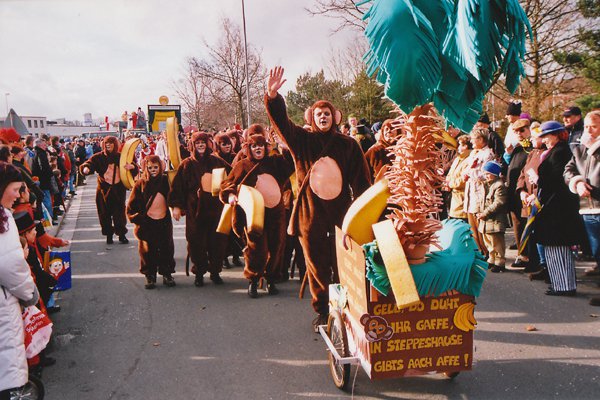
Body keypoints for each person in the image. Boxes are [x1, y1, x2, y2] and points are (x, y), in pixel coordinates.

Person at [265, 66, 371, 331]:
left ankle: (345, 309)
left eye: (327, 114)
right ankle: (323, 311)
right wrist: (273, 96)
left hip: (340, 214)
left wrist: (367, 214)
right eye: (318, 114)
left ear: (335, 117)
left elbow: (361, 183)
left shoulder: (349, 145)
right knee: (317, 266)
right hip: (309, 216)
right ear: (311, 118)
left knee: (342, 264)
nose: (322, 117)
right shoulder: (302, 140)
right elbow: (282, 124)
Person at [220, 134, 294, 298]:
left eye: (261, 145)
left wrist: (286, 147)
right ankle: (253, 280)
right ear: (249, 148)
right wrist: (230, 195)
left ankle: (271, 279)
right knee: (256, 250)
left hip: (276, 213)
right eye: (254, 146)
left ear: (266, 147)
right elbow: (227, 183)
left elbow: (291, 164)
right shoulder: (243, 165)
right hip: (254, 215)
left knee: (277, 247)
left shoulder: (275, 162)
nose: (258, 148)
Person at [168, 132, 230, 287]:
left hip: (215, 210)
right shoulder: (187, 164)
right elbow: (177, 187)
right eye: (197, 143)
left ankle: (215, 272)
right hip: (195, 212)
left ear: (207, 144)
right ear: (193, 145)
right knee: (196, 243)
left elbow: (232, 176)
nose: (201, 145)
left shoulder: (217, 161)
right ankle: (200, 273)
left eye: (203, 142)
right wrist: (176, 206)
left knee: (217, 243)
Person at [0, 162, 39, 398]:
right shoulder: (3, 219)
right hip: (4, 301)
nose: (17, 195)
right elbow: (10, 264)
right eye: (15, 189)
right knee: (8, 355)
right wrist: (29, 292)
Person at [532, 121, 582, 296]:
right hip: (557, 208)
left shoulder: (559, 153)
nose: (543, 140)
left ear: (557, 135)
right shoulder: (559, 151)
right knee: (556, 249)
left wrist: (537, 180)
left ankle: (563, 285)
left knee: (557, 248)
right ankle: (562, 283)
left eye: (546, 136)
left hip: (558, 209)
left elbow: (554, 181)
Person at [564, 111, 600, 305]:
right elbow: (568, 169)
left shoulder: (592, 147)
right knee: (596, 251)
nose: (588, 131)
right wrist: (577, 183)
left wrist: (593, 148)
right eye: (586, 126)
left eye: (593, 126)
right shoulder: (581, 148)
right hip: (587, 207)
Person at [127, 155, 176, 289]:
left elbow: (175, 195)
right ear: (145, 168)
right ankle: (150, 275)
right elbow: (131, 205)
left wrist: (176, 208)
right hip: (147, 222)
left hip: (164, 220)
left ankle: (167, 274)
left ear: (160, 167)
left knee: (166, 248)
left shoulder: (166, 181)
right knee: (148, 250)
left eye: (156, 167)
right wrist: (136, 218)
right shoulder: (140, 184)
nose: (153, 170)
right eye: (150, 168)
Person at [80, 136, 137, 244]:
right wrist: (85, 168)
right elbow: (89, 163)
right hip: (103, 190)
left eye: (111, 143)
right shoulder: (98, 157)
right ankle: (108, 235)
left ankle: (121, 235)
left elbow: (134, 166)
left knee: (119, 214)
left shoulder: (121, 157)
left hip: (118, 190)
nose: (108, 145)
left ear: (115, 144)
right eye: (106, 143)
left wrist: (132, 167)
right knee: (104, 214)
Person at [504, 118, 534, 268]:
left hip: (526, 193)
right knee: (517, 225)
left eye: (522, 130)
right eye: (516, 131)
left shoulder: (533, 148)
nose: (519, 134)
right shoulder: (517, 148)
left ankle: (529, 256)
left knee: (527, 225)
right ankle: (521, 254)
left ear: (529, 130)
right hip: (514, 193)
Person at [463, 128, 495, 256]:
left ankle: (487, 251)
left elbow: (484, 174)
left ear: (481, 139)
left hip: (480, 192)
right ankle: (479, 250)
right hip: (470, 191)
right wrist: (467, 173)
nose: (471, 141)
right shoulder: (473, 153)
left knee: (480, 223)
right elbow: (466, 169)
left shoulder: (488, 154)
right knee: (472, 225)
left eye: (473, 139)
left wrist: (471, 173)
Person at [477, 161, 509, 272]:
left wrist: (485, 212)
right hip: (486, 219)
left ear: (494, 174)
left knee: (497, 242)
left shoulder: (499, 185)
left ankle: (500, 262)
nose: (486, 176)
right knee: (488, 241)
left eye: (488, 174)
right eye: (485, 174)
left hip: (495, 219)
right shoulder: (486, 184)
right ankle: (492, 259)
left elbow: (499, 202)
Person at [446, 135, 472, 220]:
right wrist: (447, 182)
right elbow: (450, 174)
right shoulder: (458, 159)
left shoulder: (469, 159)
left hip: (463, 200)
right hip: (454, 198)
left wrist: (450, 184)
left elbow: (464, 180)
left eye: (460, 144)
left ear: (465, 146)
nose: (458, 147)